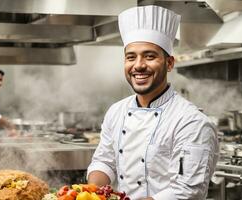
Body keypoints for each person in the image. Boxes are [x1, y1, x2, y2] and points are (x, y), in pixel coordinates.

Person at [87, 5, 219, 200]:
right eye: (131, 57)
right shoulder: (116, 111)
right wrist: (90, 193)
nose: (138, 65)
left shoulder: (192, 122)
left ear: (169, 63)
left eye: (150, 56)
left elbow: (187, 191)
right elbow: (104, 161)